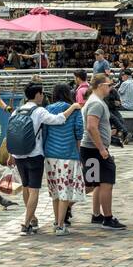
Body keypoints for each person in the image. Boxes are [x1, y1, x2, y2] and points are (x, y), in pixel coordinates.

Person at [5, 83, 81, 235]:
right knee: (34, 191)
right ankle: (26, 224)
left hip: (19, 155)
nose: (43, 96)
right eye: (42, 94)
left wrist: (10, 155)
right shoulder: (39, 111)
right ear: (38, 94)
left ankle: (32, 219)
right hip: (34, 155)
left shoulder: (16, 111)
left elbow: (11, 134)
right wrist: (72, 108)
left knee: (26, 188)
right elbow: (57, 120)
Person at [79, 73, 125, 230]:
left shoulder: (94, 101)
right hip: (95, 150)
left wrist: (107, 134)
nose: (111, 88)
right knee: (106, 183)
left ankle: (96, 215)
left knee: (93, 184)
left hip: (91, 149)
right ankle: (108, 218)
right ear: (100, 86)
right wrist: (102, 149)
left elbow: (94, 126)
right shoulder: (96, 103)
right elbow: (91, 126)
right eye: (109, 85)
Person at [42, 83, 85, 235]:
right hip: (68, 154)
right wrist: (78, 152)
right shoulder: (75, 110)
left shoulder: (48, 109)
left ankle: (56, 221)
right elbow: (79, 131)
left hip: (50, 155)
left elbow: (45, 132)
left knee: (54, 191)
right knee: (65, 191)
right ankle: (61, 225)